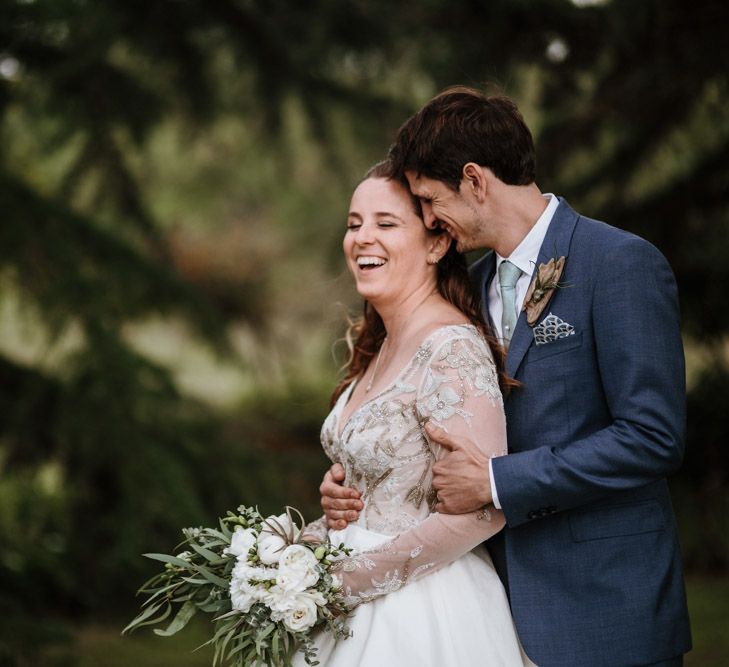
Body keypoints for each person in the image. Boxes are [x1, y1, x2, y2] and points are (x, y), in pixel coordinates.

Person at [320, 87, 692, 667]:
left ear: (474, 180)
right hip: (488, 602)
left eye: (428, 199)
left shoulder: (617, 263)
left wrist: (499, 482)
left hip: (603, 601)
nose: (427, 218)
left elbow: (652, 437)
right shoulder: (472, 282)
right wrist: (364, 488)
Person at [298, 160, 533, 666]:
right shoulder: (381, 345)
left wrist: (347, 581)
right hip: (344, 599)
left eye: (385, 224)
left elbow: (482, 508)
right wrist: (313, 534)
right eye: (354, 222)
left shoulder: (451, 349)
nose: (362, 237)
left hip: (423, 612)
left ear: (435, 243)